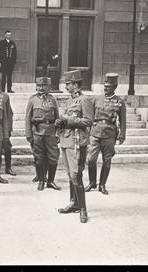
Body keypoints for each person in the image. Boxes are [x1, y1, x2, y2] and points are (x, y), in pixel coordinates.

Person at [55, 70, 93, 223]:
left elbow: (88, 121)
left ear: (76, 85)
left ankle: (83, 209)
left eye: (68, 84)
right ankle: (74, 203)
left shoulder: (84, 100)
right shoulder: (70, 101)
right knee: (70, 174)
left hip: (78, 142)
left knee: (76, 174)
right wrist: (60, 122)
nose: (66, 86)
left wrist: (67, 120)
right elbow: (66, 119)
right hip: (66, 140)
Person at [85, 73, 126, 195]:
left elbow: (123, 120)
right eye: (105, 86)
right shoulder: (97, 99)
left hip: (110, 133)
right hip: (96, 132)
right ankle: (92, 182)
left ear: (115, 87)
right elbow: (90, 116)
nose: (106, 88)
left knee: (107, 160)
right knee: (91, 159)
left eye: (109, 86)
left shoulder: (119, 102)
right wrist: (87, 132)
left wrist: (122, 135)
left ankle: (102, 184)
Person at [25, 77, 61, 191]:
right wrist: (29, 134)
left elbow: (57, 117)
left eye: (44, 86)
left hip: (50, 132)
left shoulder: (52, 99)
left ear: (49, 87)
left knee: (53, 157)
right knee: (39, 157)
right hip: (37, 132)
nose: (41, 88)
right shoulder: (32, 100)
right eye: (39, 85)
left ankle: (50, 181)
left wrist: (58, 133)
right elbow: (27, 118)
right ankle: (41, 180)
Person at [0, 76, 16, 184]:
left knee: (7, 148)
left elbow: (9, 113)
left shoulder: (4, 96)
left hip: (4, 127)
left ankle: (8, 168)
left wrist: (8, 129)